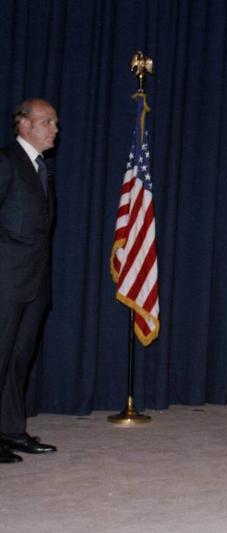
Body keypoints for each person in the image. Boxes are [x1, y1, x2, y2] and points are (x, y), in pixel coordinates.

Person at [0, 98, 59, 464]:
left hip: (34, 282)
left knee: (18, 359)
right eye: (47, 122)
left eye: (55, 122)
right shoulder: (6, 162)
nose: (55, 129)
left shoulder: (40, 168)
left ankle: (9, 430)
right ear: (24, 125)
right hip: (6, 280)